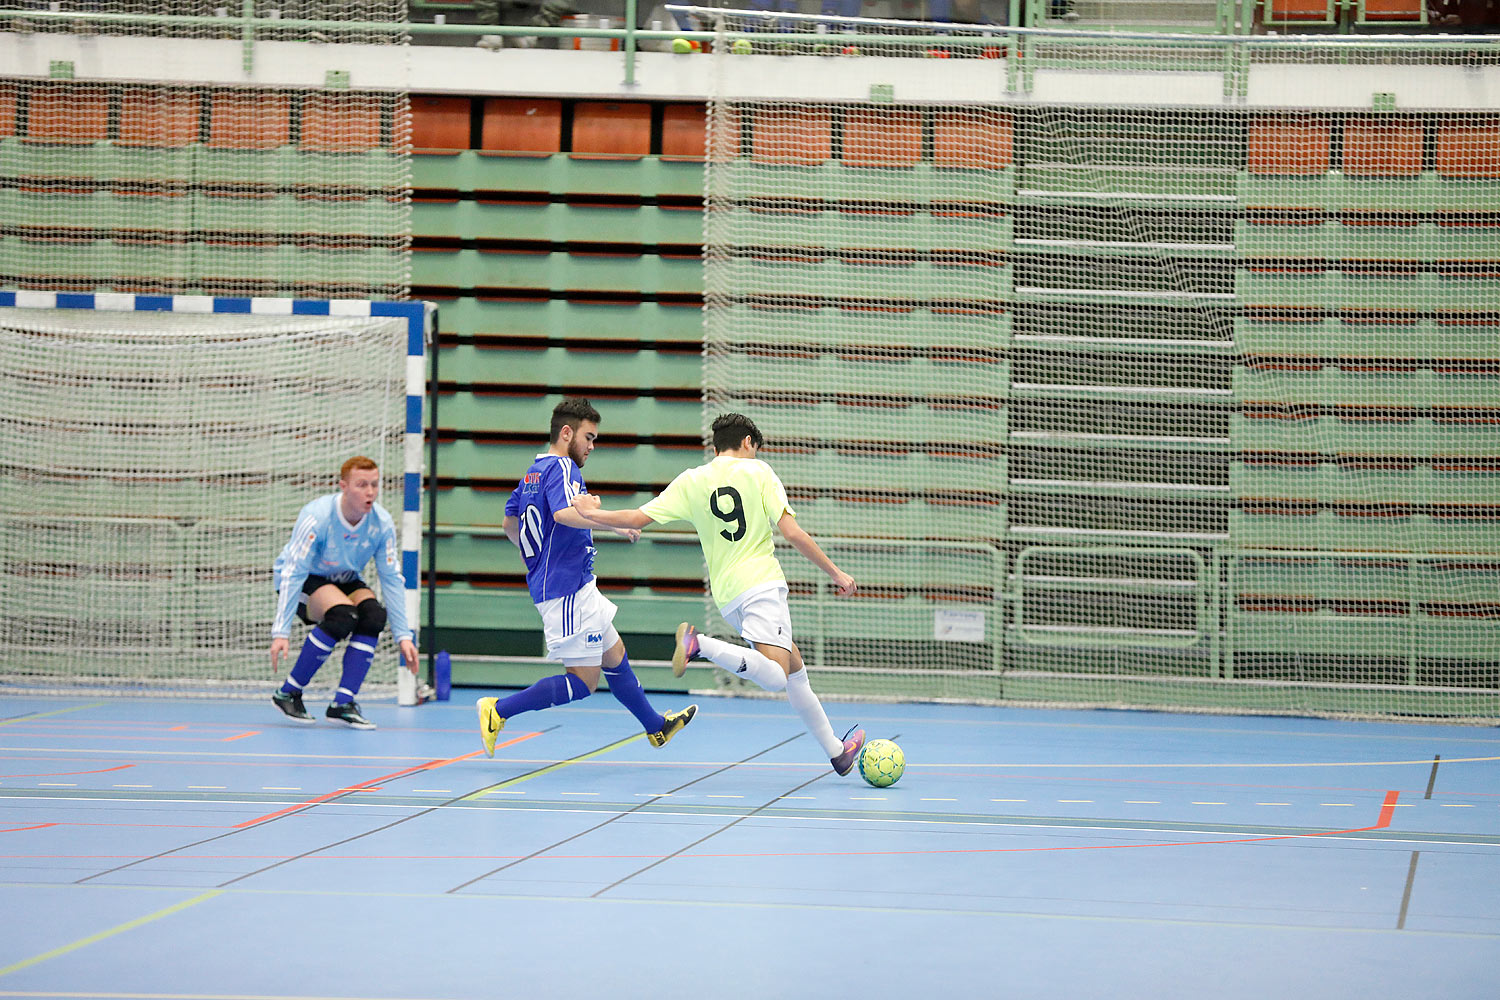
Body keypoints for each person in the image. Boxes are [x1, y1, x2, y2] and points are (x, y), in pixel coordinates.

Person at [570, 412, 866, 776]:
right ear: (746, 443)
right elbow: (791, 532)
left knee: (795, 672)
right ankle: (700, 645)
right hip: (761, 585)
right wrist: (836, 572)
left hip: (728, 596)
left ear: (714, 447)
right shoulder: (760, 473)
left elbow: (634, 519)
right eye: (754, 449)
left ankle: (838, 753)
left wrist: (591, 515)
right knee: (776, 676)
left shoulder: (693, 480)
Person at [477, 397, 697, 756]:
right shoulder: (563, 467)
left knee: (615, 656)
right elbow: (565, 515)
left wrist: (534, 558)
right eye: (589, 437)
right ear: (567, 433)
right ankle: (497, 711)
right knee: (583, 682)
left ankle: (656, 727)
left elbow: (509, 523)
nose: (592, 447)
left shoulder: (532, 473)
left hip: (575, 583)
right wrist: (607, 516)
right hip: (566, 590)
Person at [270, 456, 418, 730]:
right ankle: (289, 692)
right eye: (362, 485)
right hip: (305, 580)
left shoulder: (381, 523)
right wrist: (281, 632)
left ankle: (343, 703)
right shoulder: (317, 517)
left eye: (374, 484)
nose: (370, 492)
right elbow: (294, 572)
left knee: (374, 615)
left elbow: (391, 579)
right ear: (344, 487)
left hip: (345, 579)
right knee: (343, 615)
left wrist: (404, 636)